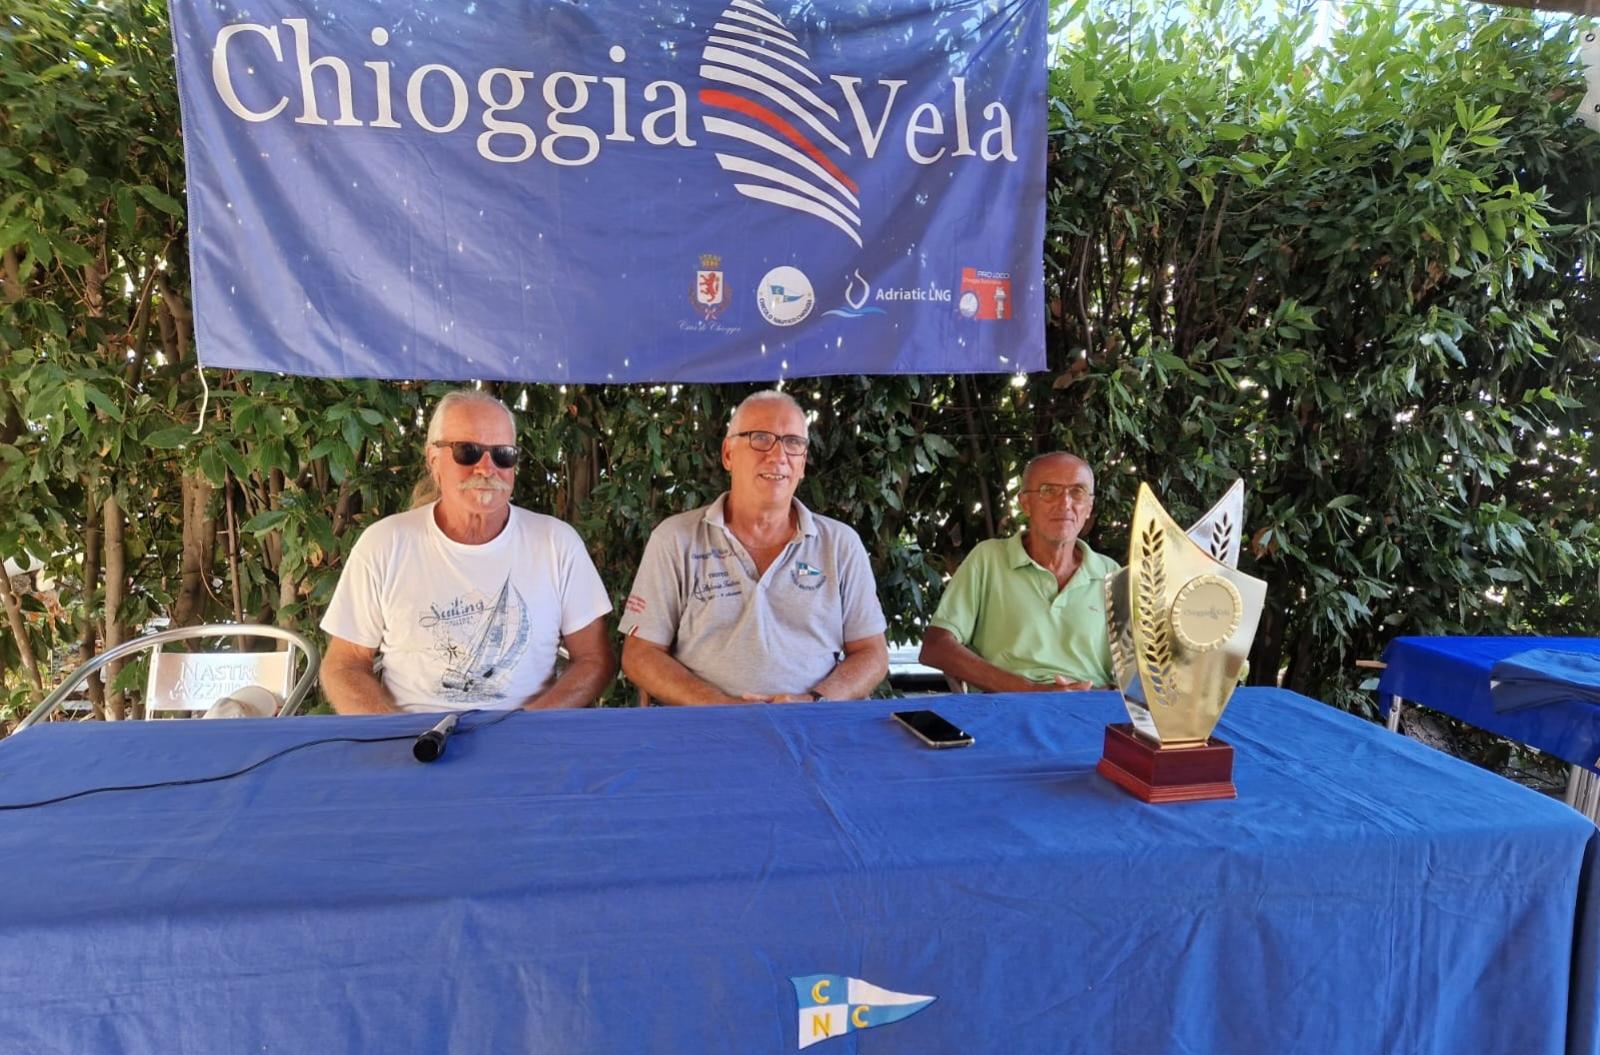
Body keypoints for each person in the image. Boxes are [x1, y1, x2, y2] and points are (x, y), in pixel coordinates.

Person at [321, 389, 616, 713]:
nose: (487, 468)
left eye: (502, 453)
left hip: (526, 740)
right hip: (413, 743)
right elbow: (344, 665)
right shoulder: (385, 544)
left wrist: (530, 727)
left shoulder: (556, 543)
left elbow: (594, 660)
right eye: (468, 451)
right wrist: (396, 737)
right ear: (434, 459)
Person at [619, 390, 888, 704]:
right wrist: (720, 707)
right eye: (761, 438)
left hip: (812, 727)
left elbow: (872, 653)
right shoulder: (675, 539)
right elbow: (640, 654)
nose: (778, 456)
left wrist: (816, 702)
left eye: (793, 443)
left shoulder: (840, 544)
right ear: (728, 454)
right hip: (704, 729)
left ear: (802, 464)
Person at [919, 452, 1119, 692]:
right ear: (1025, 503)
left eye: (1077, 491)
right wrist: (1029, 690)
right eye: (1049, 490)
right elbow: (936, 647)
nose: (1065, 503)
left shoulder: (1111, 573)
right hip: (1008, 709)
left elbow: (1141, 669)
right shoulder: (989, 560)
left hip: (1092, 714)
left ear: (1089, 507)